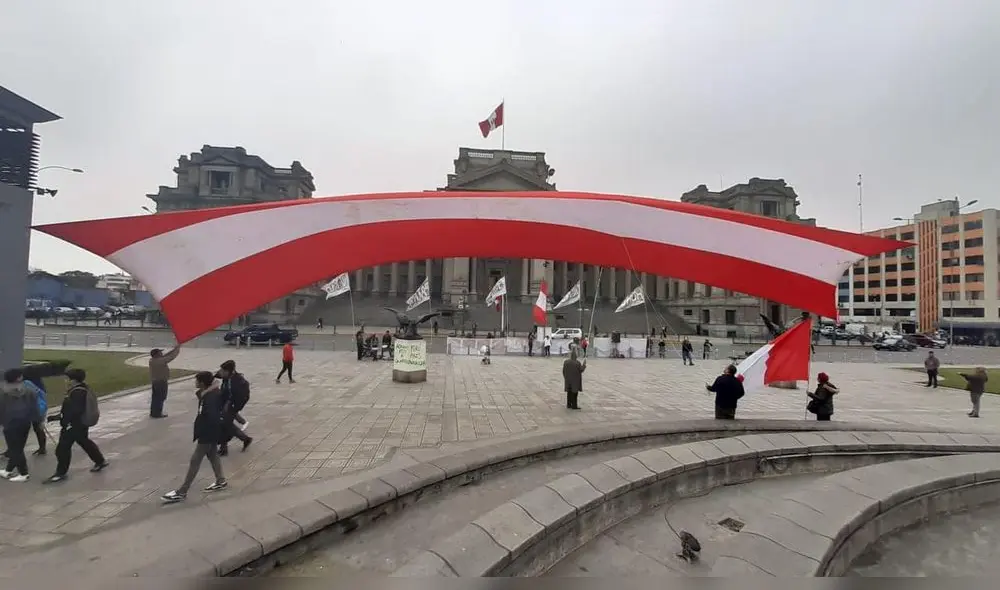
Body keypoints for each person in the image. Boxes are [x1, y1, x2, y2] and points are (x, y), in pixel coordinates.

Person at [161, 371, 228, 503]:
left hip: (207, 433)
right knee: (213, 455)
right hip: (210, 432)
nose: (195, 382)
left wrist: (205, 433)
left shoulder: (210, 397)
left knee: (195, 461)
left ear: (202, 383)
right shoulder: (208, 394)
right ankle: (220, 480)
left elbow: (211, 417)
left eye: (196, 380)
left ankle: (182, 491)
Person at [43, 368, 109, 484]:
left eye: (67, 378)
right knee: (84, 442)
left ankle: (60, 473)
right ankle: (100, 461)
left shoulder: (77, 392)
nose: (65, 381)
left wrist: (65, 421)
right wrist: (56, 417)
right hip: (79, 424)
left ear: (73, 380)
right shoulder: (81, 389)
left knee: (62, 449)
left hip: (73, 425)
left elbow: (75, 410)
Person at [0, 368, 43, 482]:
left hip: (10, 423)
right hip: (25, 422)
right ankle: (8, 470)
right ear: (18, 378)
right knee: (18, 447)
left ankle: (24, 473)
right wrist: (38, 421)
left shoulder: (2, 392)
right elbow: (35, 408)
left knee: (15, 449)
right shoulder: (29, 390)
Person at [217, 361, 253, 455]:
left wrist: (230, 406)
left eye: (223, 371)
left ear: (229, 371)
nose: (221, 372)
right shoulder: (228, 377)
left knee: (225, 424)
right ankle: (244, 439)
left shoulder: (236, 382)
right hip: (226, 404)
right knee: (225, 424)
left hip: (232, 406)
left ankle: (225, 448)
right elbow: (218, 376)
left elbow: (235, 396)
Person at [149, 345, 181, 418]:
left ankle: (154, 413)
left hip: (155, 382)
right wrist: (177, 350)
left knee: (155, 398)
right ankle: (157, 414)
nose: (161, 353)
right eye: (160, 352)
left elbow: (166, 355)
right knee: (160, 398)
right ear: (157, 354)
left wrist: (174, 349)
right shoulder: (160, 361)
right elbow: (171, 357)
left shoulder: (152, 360)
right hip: (161, 382)